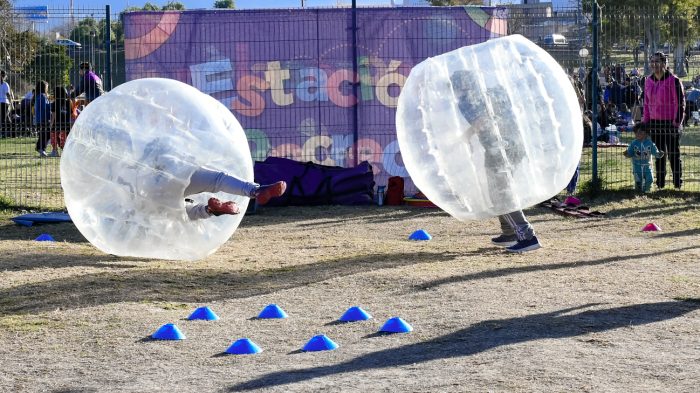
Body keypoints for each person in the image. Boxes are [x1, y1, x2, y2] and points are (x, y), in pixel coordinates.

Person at [450, 70, 540, 253]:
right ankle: (509, 232)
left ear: (463, 85)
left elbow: (483, 120)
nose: (454, 89)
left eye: (455, 85)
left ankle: (527, 236)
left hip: (499, 149)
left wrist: (464, 137)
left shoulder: (468, 99)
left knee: (501, 193)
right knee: (498, 191)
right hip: (512, 145)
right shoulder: (488, 92)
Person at [643, 51, 685, 189]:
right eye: (652, 61)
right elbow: (646, 103)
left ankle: (677, 183)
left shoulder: (674, 80)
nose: (654, 64)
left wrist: (676, 123)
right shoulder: (648, 81)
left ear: (664, 63)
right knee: (659, 154)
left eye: (657, 61)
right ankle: (660, 184)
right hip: (655, 123)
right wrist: (646, 123)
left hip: (671, 123)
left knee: (673, 154)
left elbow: (680, 103)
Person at [183, 169, 286, 219]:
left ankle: (210, 209)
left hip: (168, 191)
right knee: (219, 179)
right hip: (179, 169)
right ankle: (255, 190)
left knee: (179, 210)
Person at [624, 123, 664, 193]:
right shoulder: (633, 143)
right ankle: (638, 191)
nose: (637, 134)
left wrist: (659, 154)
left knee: (650, 179)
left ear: (646, 133)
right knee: (638, 180)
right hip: (636, 166)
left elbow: (655, 152)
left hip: (648, 165)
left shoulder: (650, 143)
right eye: (636, 132)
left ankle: (647, 190)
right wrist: (627, 154)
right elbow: (630, 153)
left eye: (640, 132)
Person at [50, 86, 72, 157]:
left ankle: (55, 151)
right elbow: (71, 113)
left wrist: (51, 124)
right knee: (64, 139)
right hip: (66, 124)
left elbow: (53, 115)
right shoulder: (68, 102)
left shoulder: (55, 103)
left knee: (53, 136)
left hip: (56, 124)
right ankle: (65, 152)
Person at [34, 80, 52, 157]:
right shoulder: (42, 96)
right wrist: (53, 105)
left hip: (39, 118)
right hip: (44, 118)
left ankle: (40, 148)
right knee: (46, 134)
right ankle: (41, 148)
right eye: (47, 87)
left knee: (43, 134)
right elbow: (45, 107)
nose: (47, 89)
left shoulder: (38, 96)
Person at [0, 70, 13, 137]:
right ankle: (8, 132)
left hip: (3, 103)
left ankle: (7, 132)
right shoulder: (5, 84)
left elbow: (8, 94)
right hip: (4, 103)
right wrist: (11, 104)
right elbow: (8, 94)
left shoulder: (5, 84)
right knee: (5, 118)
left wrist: (11, 103)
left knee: (4, 118)